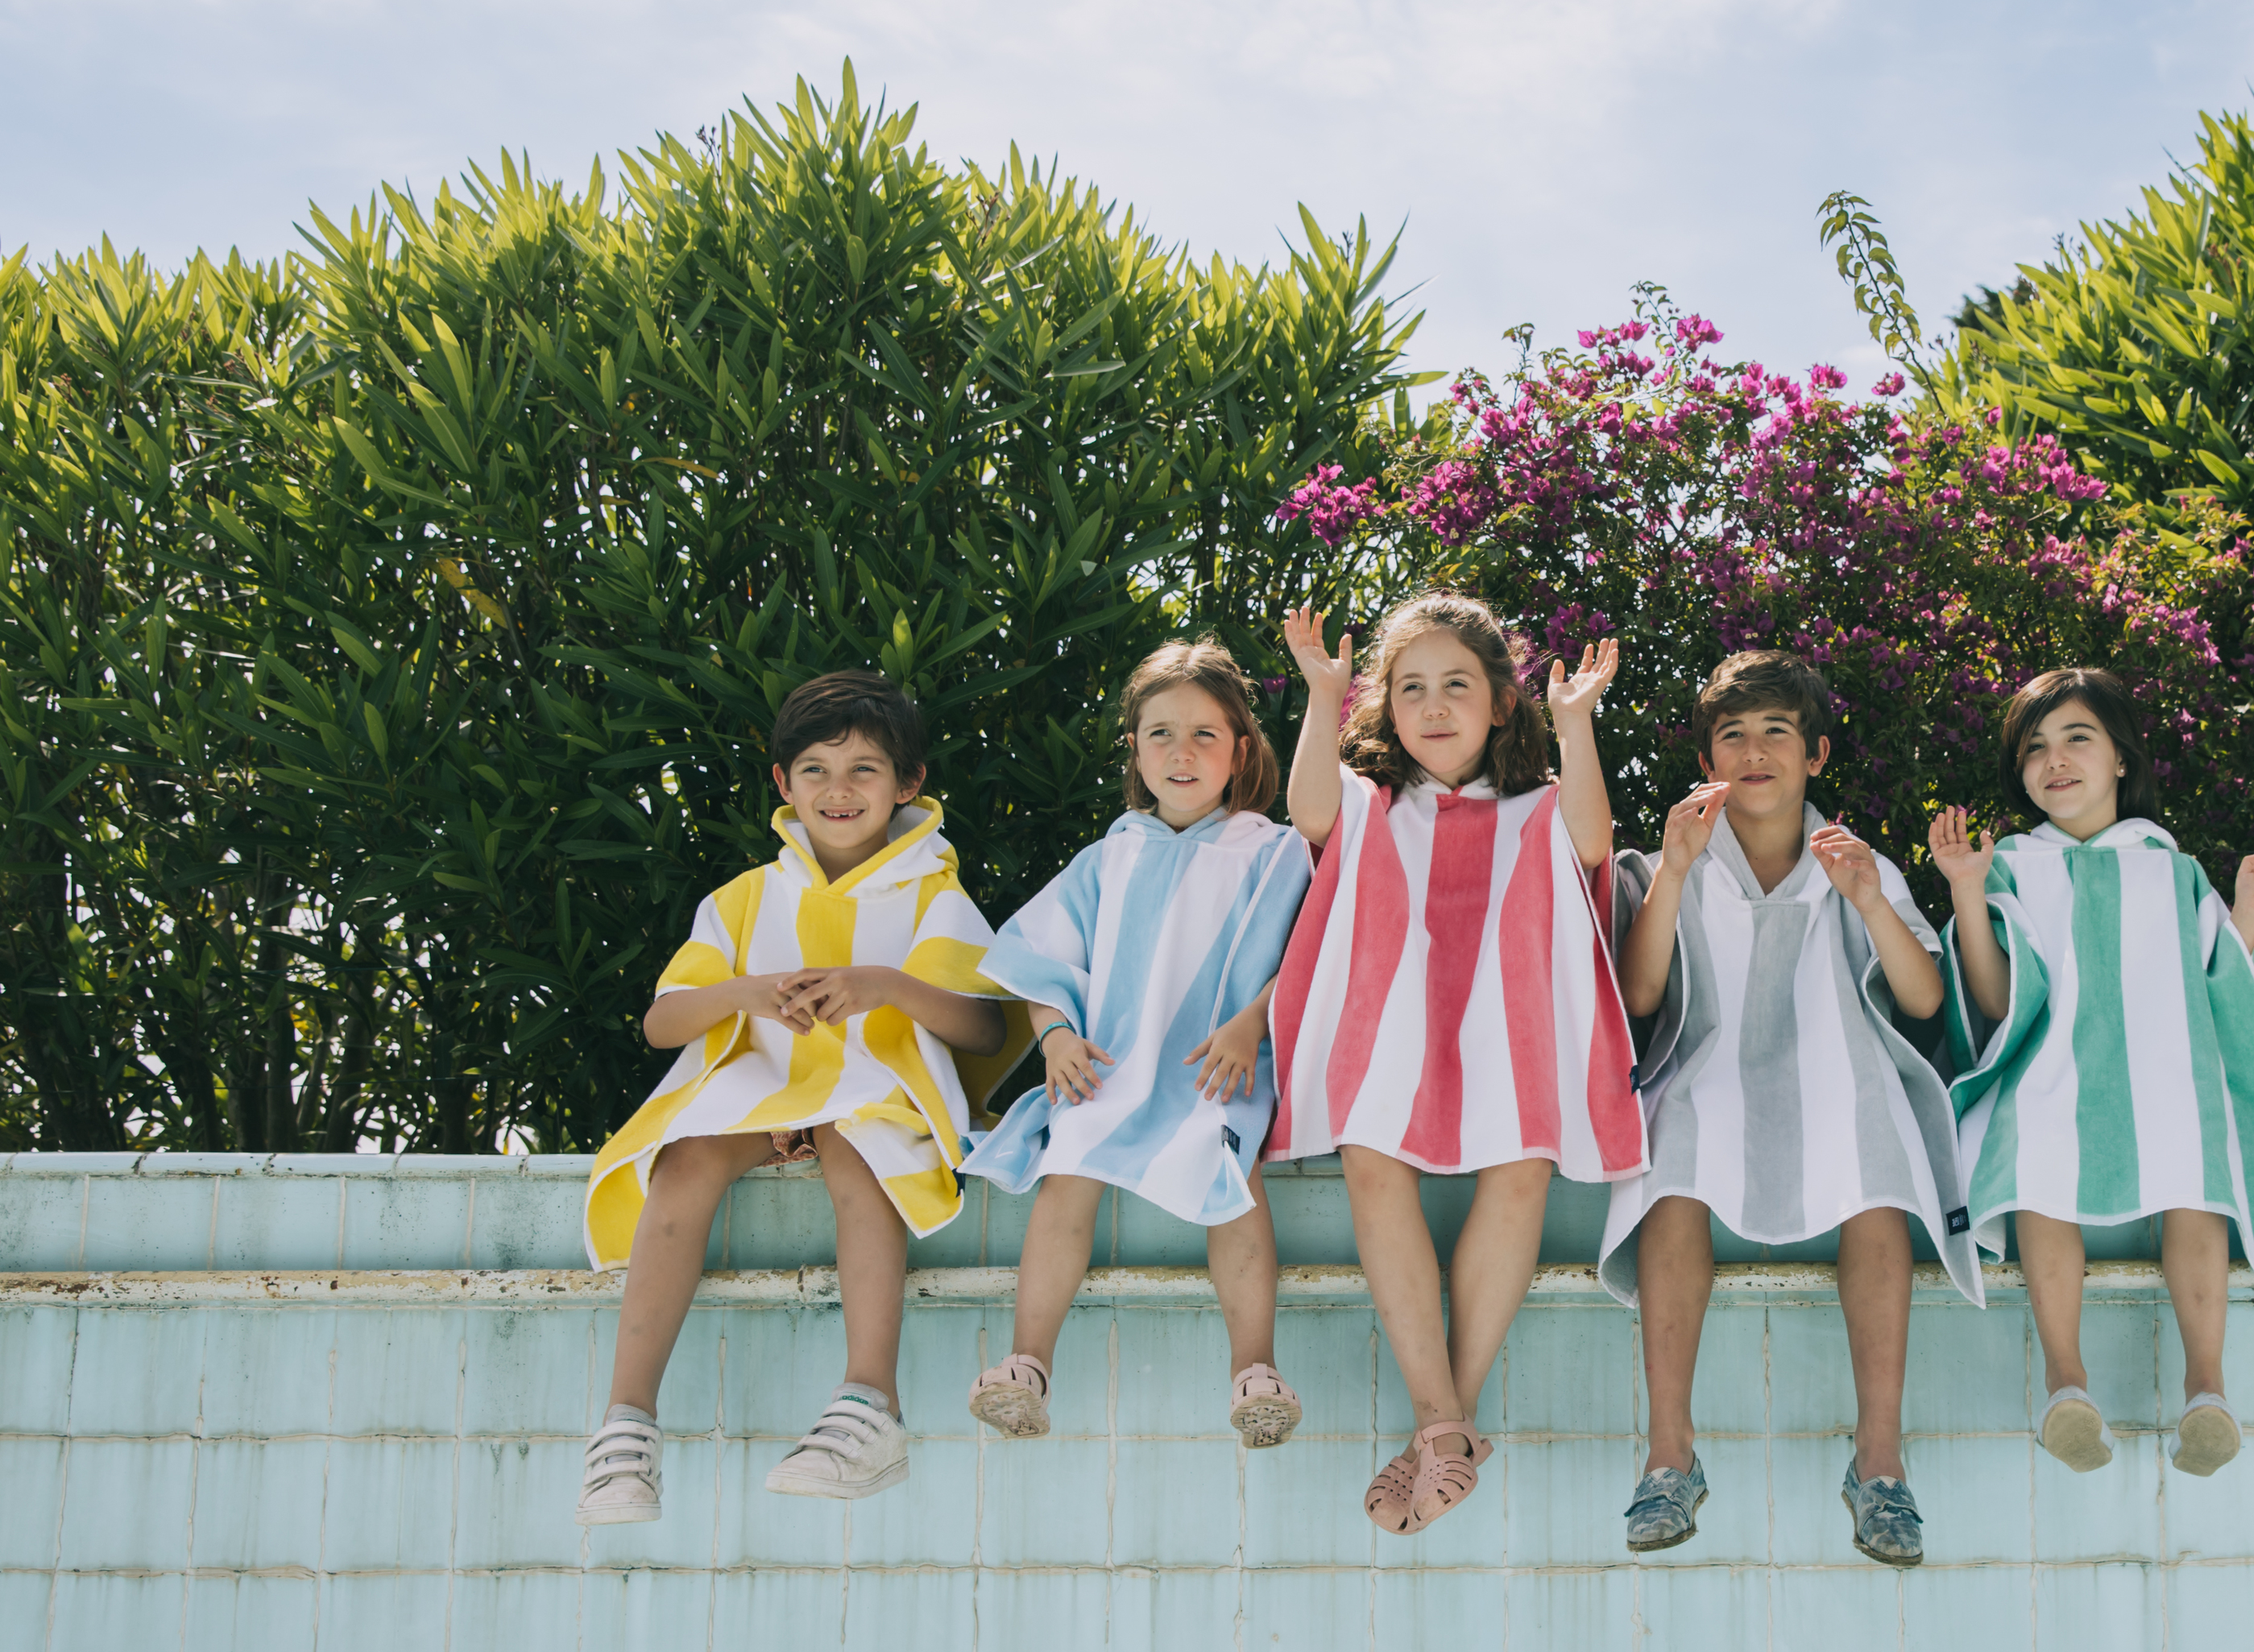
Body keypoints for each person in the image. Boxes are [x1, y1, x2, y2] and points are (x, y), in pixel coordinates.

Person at [576, 670, 1025, 1523]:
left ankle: (869, 1405)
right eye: (814, 768)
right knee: (686, 1159)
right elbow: (663, 1023)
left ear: (908, 783)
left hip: (879, 1099)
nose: (838, 788)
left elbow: (981, 1030)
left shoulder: (934, 891)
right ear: (783, 783)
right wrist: (744, 993)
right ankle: (625, 1427)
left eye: (863, 768)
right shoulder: (747, 897)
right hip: (768, 1095)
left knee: (859, 1148)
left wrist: (882, 984)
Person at [1270, 595, 1642, 1534]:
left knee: (1520, 1175)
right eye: (1411, 688)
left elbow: (1595, 841)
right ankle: (1447, 1423)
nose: (1434, 706)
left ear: (1500, 703)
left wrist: (1577, 724)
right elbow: (1308, 807)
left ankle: (1445, 1419)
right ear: (1384, 707)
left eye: (1457, 686)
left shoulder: (1539, 808)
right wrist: (1321, 694)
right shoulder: (1369, 803)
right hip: (1389, 1028)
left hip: (1509, 1029)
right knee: (1370, 1159)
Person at [1601, 650, 1972, 1567]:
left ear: (1815, 753)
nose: (1755, 750)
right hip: (1709, 1066)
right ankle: (1668, 1455)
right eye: (1733, 734)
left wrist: (1872, 902)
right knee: (1673, 1163)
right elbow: (1642, 996)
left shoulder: (1856, 861)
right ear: (1707, 758)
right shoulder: (1667, 857)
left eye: (1776, 732)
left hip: (1838, 1068)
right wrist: (1676, 874)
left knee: (1874, 1165)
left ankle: (1879, 1464)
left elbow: (1924, 1000)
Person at [1929, 666, 2254, 1479]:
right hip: (2048, 1071)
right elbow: (1994, 998)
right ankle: (2065, 1382)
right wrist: (1967, 890)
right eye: (2035, 747)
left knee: (2194, 1174)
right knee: (2035, 1161)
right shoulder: (2011, 866)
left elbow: (2217, 981)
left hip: (2164, 1073)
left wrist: (2247, 908)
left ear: (2119, 760)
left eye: (2077, 737)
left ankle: (2206, 1388)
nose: (2055, 759)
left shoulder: (2168, 867)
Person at [959, 640, 1315, 1446]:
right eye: (1160, 733)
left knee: (1231, 1169)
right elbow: (1043, 959)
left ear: (1241, 750)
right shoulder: (1107, 856)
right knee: (1068, 1162)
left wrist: (1253, 1019)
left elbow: (1314, 953)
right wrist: (1054, 1038)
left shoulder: (1273, 851)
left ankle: (1254, 1369)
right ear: (1135, 749)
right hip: (1111, 1067)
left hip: (1217, 1068)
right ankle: (1027, 1363)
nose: (1180, 752)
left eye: (1203, 734)